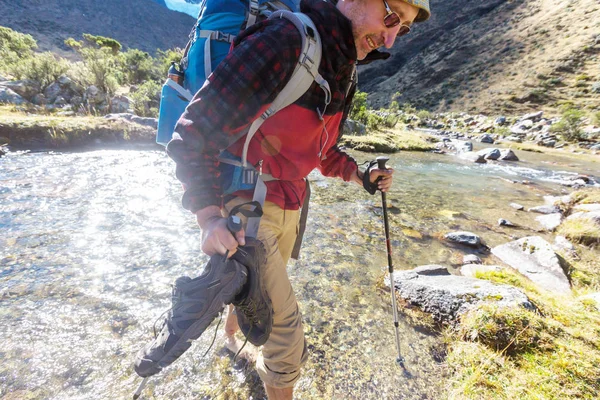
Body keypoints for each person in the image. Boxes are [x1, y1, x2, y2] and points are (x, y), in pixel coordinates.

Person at [166, 0, 431, 398]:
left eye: (404, 29)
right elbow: (193, 134)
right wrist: (208, 217)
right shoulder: (286, 43)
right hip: (248, 206)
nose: (391, 37)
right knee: (287, 340)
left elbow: (321, 151)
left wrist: (360, 175)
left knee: (257, 292)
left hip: (291, 201)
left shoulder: (342, 66)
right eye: (391, 17)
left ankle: (231, 338)